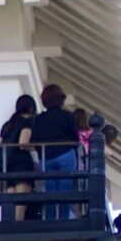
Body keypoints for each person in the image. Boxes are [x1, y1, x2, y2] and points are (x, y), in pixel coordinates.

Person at [31, 84, 81, 220]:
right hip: (65, 154)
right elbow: (75, 138)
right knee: (65, 192)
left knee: (50, 193)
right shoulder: (67, 116)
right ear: (61, 99)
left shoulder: (39, 119)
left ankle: (50, 222)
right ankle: (64, 221)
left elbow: (34, 140)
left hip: (46, 157)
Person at [0, 93, 38, 222]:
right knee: (21, 205)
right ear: (31, 108)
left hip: (7, 166)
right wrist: (37, 148)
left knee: (10, 204)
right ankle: (18, 231)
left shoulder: (8, 125)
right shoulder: (28, 122)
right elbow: (23, 143)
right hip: (22, 164)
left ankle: (7, 233)